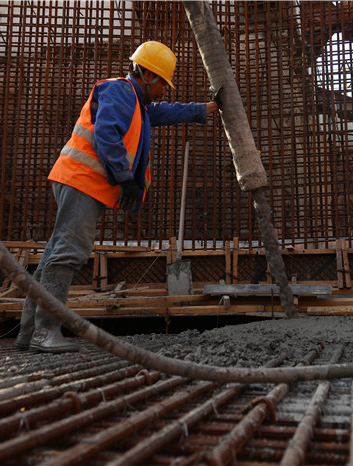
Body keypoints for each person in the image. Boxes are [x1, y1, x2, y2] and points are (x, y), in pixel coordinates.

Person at [16, 40, 222, 352]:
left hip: (81, 182)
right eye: (163, 83)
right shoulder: (120, 91)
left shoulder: (135, 104)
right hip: (82, 181)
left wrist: (204, 109)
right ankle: (46, 333)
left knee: (53, 256)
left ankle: (29, 332)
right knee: (68, 253)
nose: (165, 91)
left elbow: (163, 112)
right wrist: (126, 180)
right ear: (148, 75)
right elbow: (106, 135)